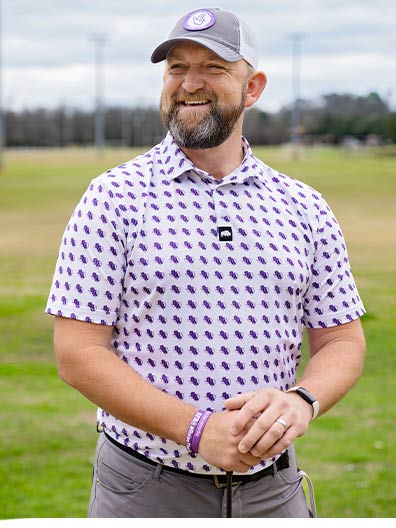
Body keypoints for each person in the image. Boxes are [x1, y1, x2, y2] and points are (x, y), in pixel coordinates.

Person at [46, 7, 366, 518]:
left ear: (253, 87)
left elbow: (342, 339)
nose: (189, 83)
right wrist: (197, 429)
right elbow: (78, 352)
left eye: (214, 67)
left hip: (273, 489)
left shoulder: (304, 206)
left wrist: (301, 400)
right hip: (146, 488)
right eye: (176, 67)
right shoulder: (113, 197)